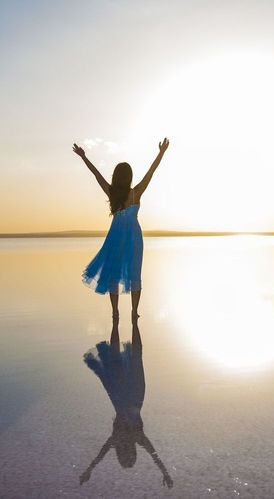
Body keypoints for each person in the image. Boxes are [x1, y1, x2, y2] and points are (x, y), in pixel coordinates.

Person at [72, 138, 169, 320]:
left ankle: (115, 311)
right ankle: (134, 311)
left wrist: (83, 157)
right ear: (129, 177)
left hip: (115, 237)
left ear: (116, 177)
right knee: (135, 275)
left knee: (114, 275)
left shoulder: (112, 193)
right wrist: (161, 153)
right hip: (133, 237)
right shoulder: (136, 193)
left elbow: (96, 175)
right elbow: (151, 172)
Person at [80, 320, 173, 488]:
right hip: (126, 396)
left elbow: (154, 456)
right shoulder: (131, 438)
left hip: (132, 396)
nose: (127, 452)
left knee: (129, 358)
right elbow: (154, 456)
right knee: (122, 359)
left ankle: (130, 321)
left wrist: (90, 470)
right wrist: (89, 470)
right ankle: (124, 321)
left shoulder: (129, 438)